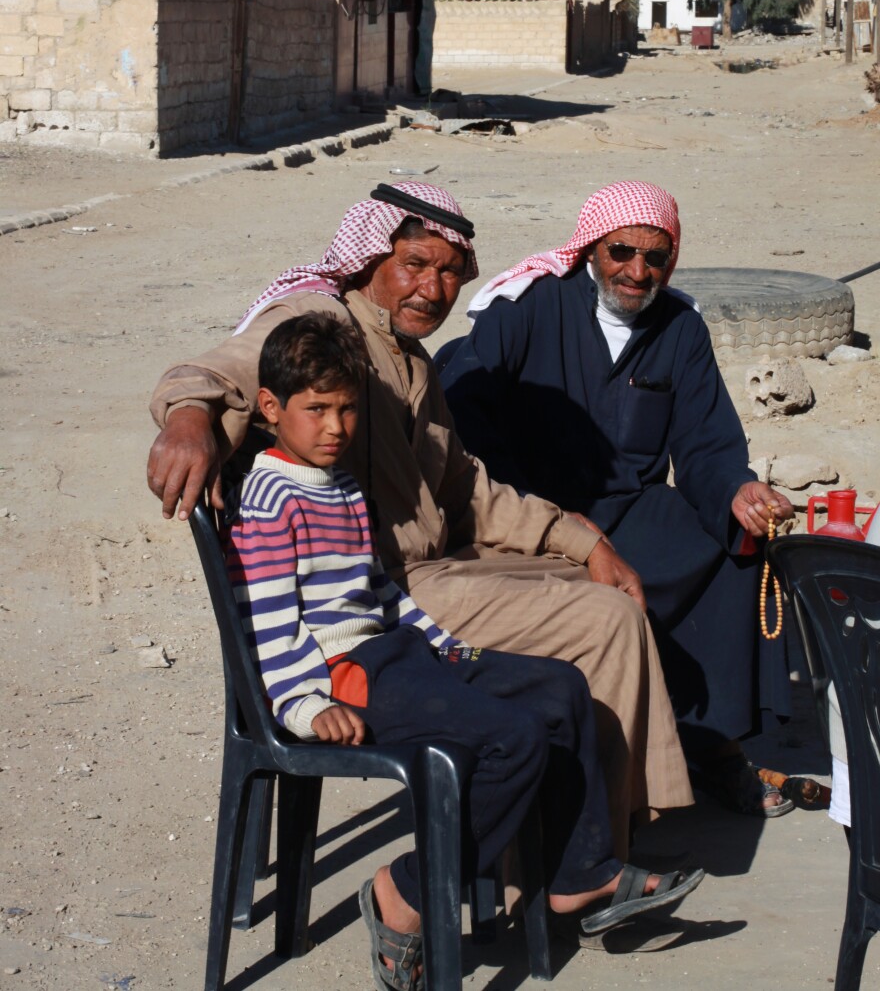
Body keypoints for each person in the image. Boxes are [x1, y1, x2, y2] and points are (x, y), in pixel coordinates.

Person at [147, 181, 694, 857]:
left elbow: (468, 488)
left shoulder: (414, 362)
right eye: (414, 265)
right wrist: (190, 416)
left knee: (603, 584)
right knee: (604, 619)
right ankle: (581, 859)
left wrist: (582, 543)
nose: (432, 290)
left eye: (447, 272)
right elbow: (224, 370)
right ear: (370, 259)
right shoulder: (325, 325)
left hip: (435, 570)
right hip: (384, 598)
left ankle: (593, 833)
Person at [225, 311, 704, 989]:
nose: (336, 428)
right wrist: (303, 705)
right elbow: (269, 620)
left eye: (347, 410)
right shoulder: (272, 496)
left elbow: (378, 595)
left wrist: (444, 645)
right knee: (512, 739)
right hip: (342, 676)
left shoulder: (344, 485)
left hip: (397, 652)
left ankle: (579, 874)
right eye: (317, 410)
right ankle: (406, 890)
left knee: (563, 692)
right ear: (272, 409)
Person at [438, 180, 797, 818]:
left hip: (628, 509)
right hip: (530, 518)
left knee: (737, 549)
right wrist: (534, 510)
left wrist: (739, 490)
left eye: (655, 258)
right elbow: (467, 414)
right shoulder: (529, 307)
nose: (637, 272)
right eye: (622, 253)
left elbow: (707, 446)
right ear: (591, 250)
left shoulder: (680, 329)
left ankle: (709, 740)